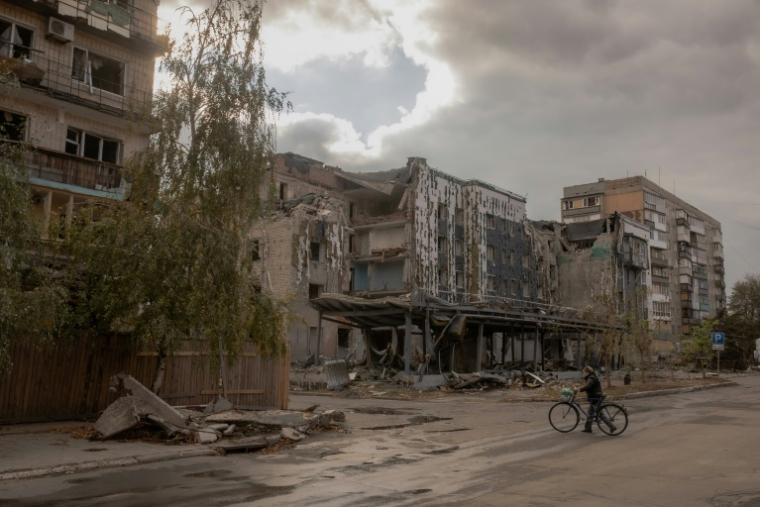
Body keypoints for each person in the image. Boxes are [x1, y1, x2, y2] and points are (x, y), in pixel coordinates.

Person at [577, 365, 616, 433]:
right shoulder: (591, 377)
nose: (583, 373)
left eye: (584, 372)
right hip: (594, 398)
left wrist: (580, 389)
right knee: (590, 413)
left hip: (595, 398)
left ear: (587, 372)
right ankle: (588, 428)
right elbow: (588, 385)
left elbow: (588, 386)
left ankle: (612, 427)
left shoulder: (591, 378)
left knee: (600, 414)